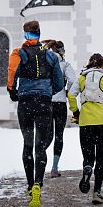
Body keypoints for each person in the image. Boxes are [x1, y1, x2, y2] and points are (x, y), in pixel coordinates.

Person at [7, 20, 64, 207]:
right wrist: (47, 91)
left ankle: (31, 186)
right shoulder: (50, 56)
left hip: (25, 102)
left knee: (28, 143)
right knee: (40, 145)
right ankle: (39, 183)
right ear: (39, 34)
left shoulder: (19, 53)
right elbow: (58, 82)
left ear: (25, 35)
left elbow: (12, 71)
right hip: (44, 102)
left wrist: (12, 90)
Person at [68, 53, 103, 205]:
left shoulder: (81, 78)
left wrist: (76, 112)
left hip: (86, 122)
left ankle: (87, 167)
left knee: (88, 154)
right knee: (101, 156)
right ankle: (97, 192)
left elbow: (71, 95)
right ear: (102, 65)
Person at [42, 40, 76, 178]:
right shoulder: (64, 64)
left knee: (47, 134)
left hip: (47, 101)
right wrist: (67, 91)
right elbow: (73, 80)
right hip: (60, 102)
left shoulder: (45, 62)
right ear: (62, 51)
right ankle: (54, 167)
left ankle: (39, 158)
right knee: (59, 135)